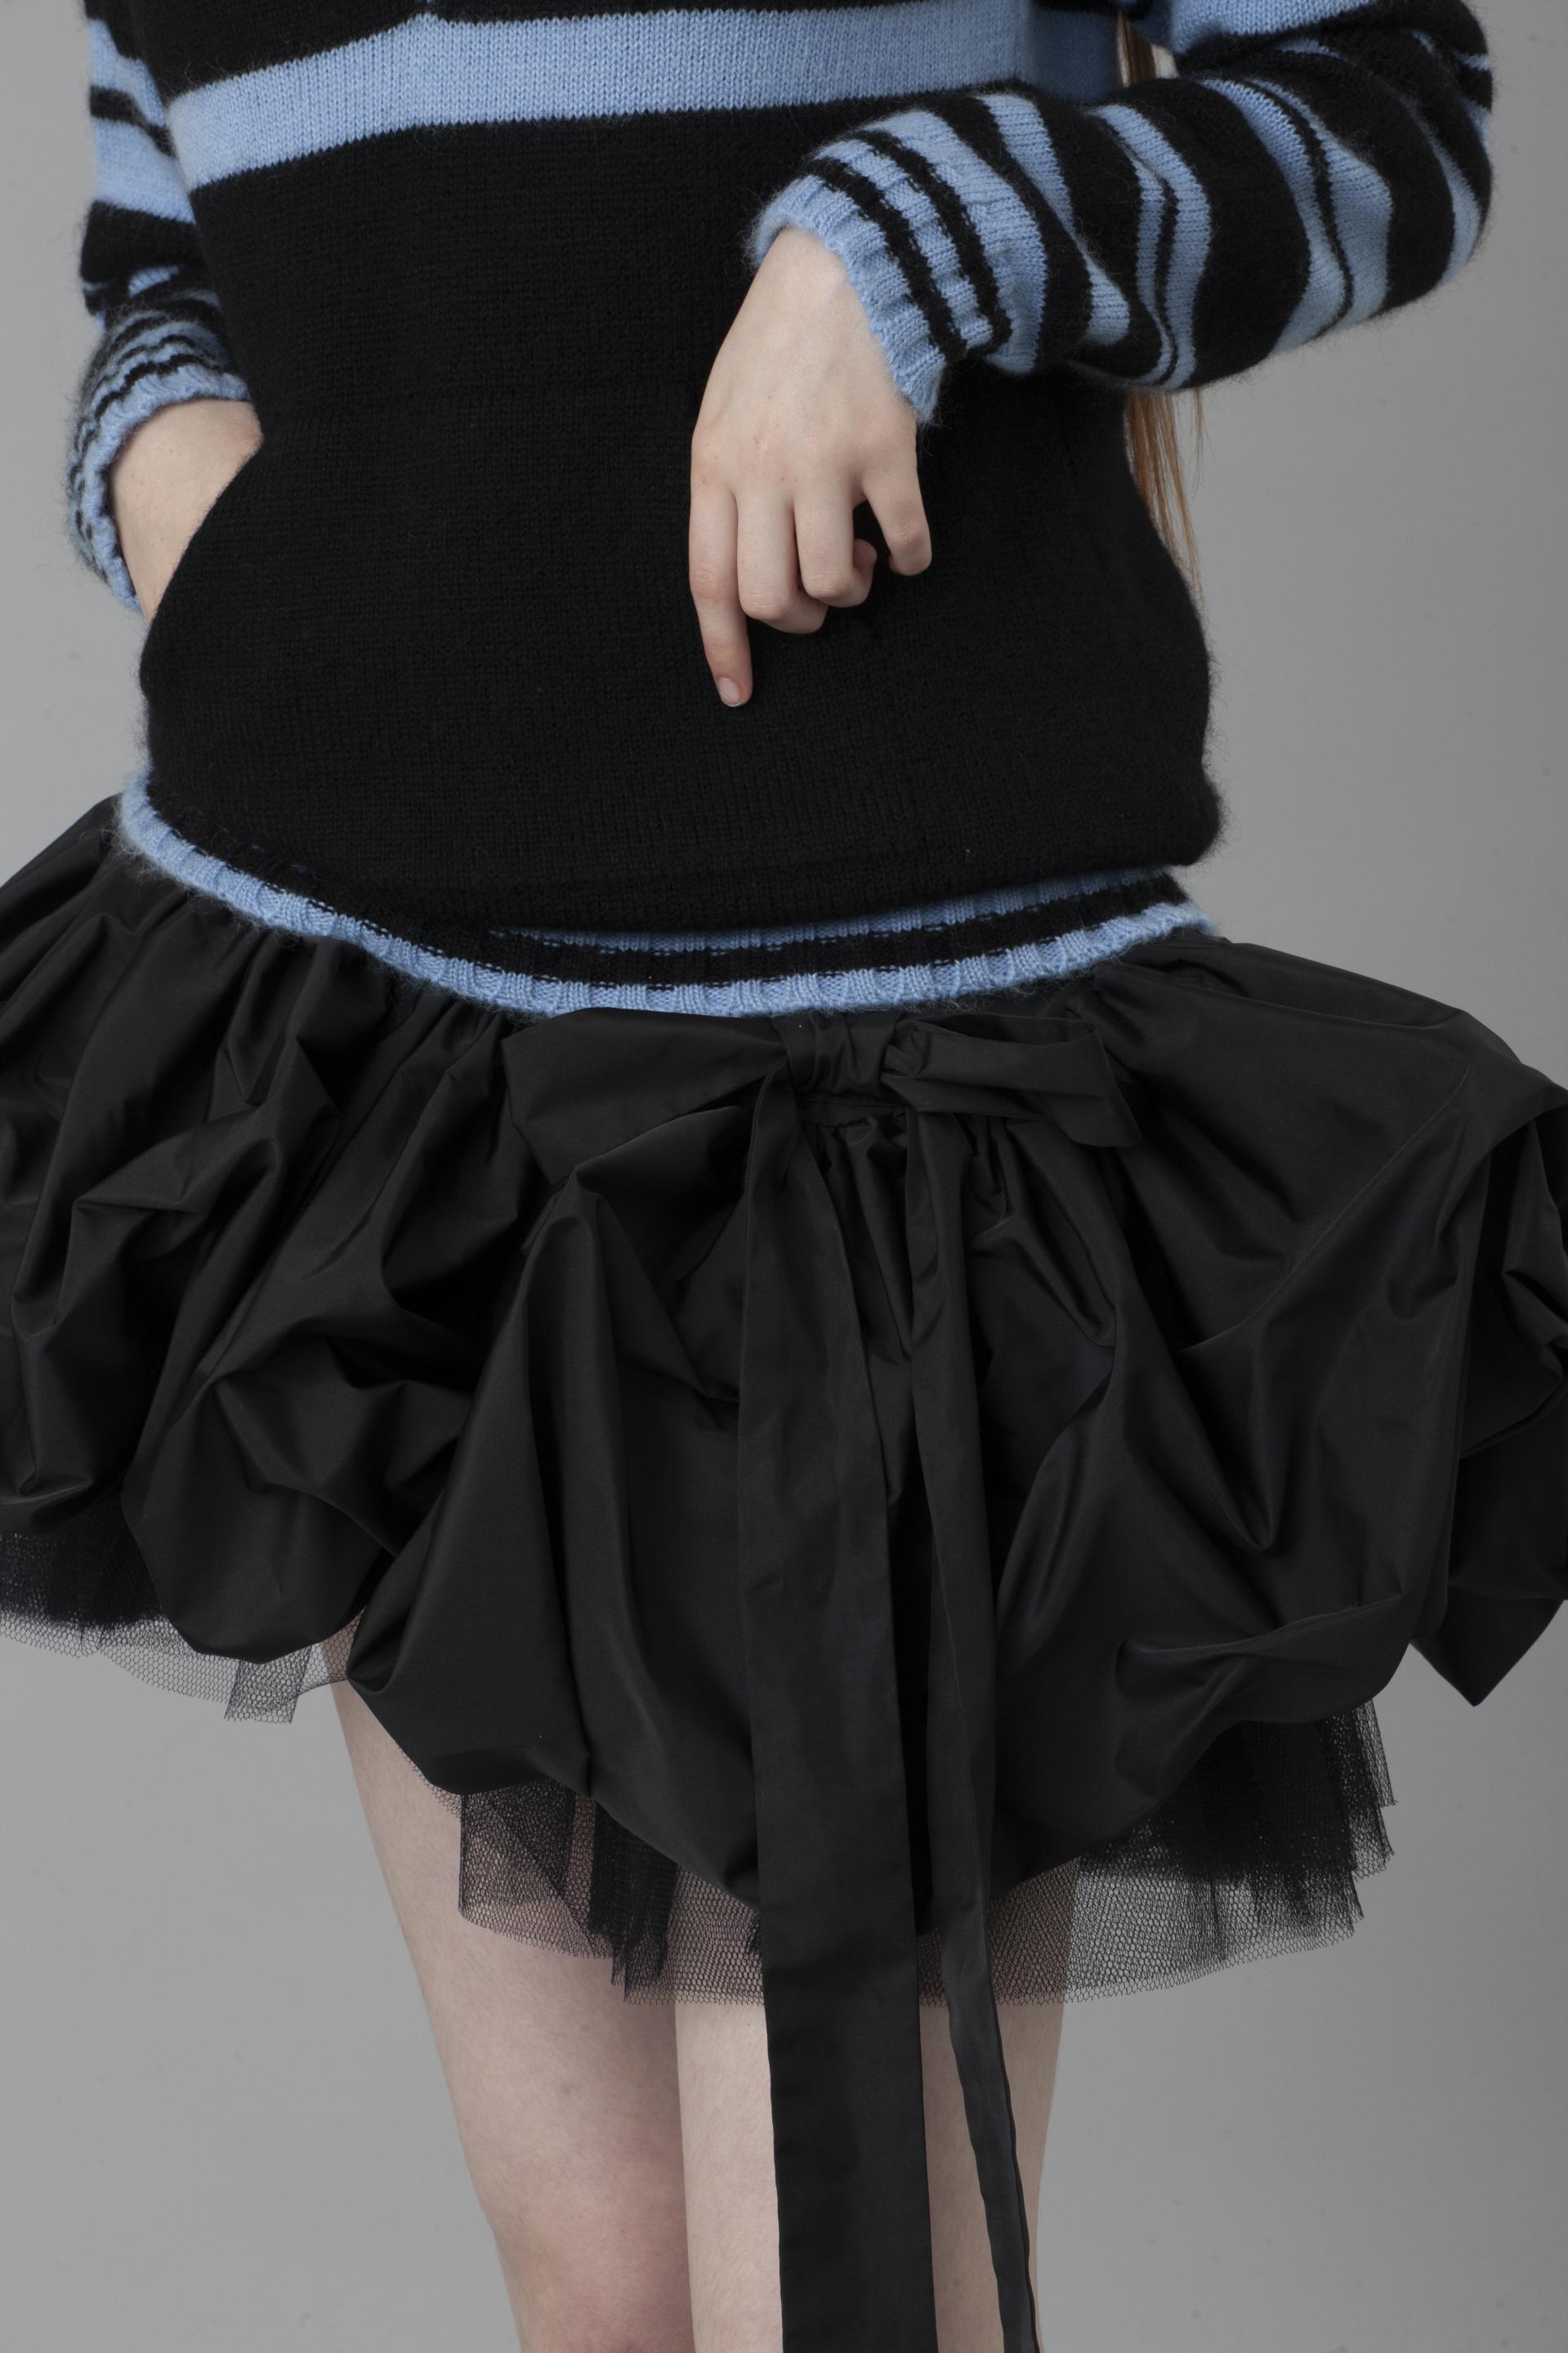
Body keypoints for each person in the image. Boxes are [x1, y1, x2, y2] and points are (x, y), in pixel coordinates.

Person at [2, 2, 1561, 2348]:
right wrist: (160, 449)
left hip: (862, 1106)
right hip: (376, 1086)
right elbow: (170, 231)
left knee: (846, 2307)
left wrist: (914, 236)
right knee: (605, 2297)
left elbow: (1388, 111)